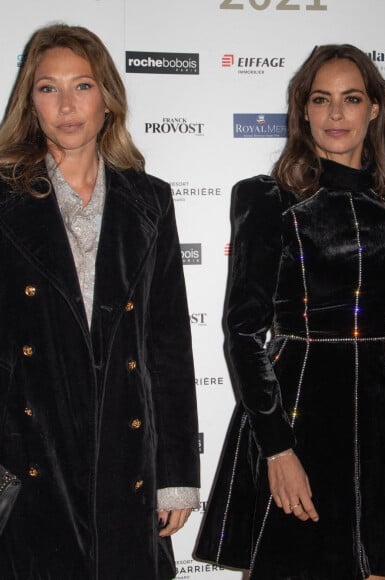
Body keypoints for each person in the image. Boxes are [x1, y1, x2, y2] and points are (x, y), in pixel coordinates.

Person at [195, 44, 385, 579]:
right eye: (322, 99)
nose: (336, 114)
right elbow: (243, 333)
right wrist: (277, 450)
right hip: (295, 414)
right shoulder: (266, 199)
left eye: (351, 99)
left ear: (374, 109)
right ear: (303, 110)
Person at [0, 24, 200, 579]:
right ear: (29, 101)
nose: (67, 105)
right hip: (31, 457)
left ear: (107, 98)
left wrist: (176, 473)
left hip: (125, 459)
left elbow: (168, 345)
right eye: (48, 88)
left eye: (82, 86)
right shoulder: (6, 198)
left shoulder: (149, 200)